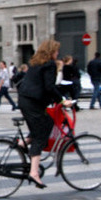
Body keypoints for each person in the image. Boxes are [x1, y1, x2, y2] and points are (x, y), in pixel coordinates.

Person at [17, 39, 73, 189]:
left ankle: (23, 143)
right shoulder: (49, 64)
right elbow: (49, 87)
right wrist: (62, 100)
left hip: (26, 100)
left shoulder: (36, 62)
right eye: (56, 51)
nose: (58, 53)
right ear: (51, 52)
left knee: (47, 122)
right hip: (33, 103)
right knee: (41, 134)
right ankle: (34, 172)